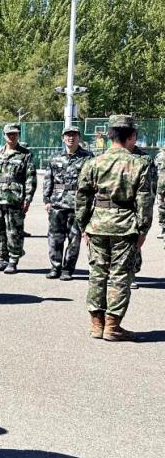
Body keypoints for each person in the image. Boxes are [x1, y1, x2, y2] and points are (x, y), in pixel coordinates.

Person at [76, 115, 153, 341]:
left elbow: (82, 197)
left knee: (97, 274)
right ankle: (112, 326)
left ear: (110, 135)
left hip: (97, 225)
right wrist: (143, 229)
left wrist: (83, 225)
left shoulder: (93, 162)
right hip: (125, 226)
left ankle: (96, 324)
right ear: (131, 136)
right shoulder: (140, 163)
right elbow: (145, 201)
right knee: (120, 276)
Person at [43, 126, 93, 280]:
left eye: (74, 135)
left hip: (77, 205)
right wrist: (46, 199)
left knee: (74, 239)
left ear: (79, 138)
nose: (71, 138)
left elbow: (92, 181)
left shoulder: (88, 157)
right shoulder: (55, 157)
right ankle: (55, 267)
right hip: (57, 203)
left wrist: (89, 203)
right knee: (54, 238)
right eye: (68, 135)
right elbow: (48, 179)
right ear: (63, 138)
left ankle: (67, 269)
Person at [0, 122, 36, 274]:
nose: (12, 137)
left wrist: (28, 199)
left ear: (18, 135)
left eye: (15, 134)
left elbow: (30, 179)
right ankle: (3, 258)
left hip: (15, 198)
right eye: (9, 134)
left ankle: (13, 261)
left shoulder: (25, 154)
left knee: (14, 231)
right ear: (4, 136)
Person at [128, 143, 157, 288]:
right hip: (114, 208)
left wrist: (147, 208)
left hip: (136, 207)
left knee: (134, 241)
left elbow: (152, 185)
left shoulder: (145, 159)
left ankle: (131, 274)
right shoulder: (110, 156)